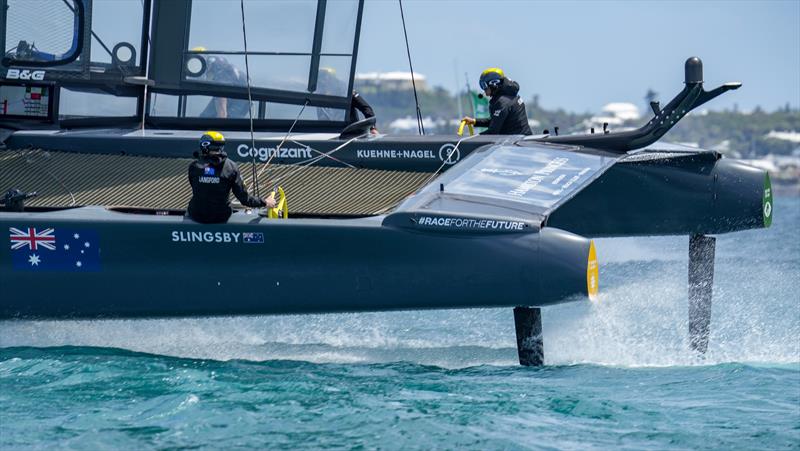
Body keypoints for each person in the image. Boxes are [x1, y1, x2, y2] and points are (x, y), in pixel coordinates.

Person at [186, 131, 275, 224]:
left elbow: (196, 188)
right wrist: (265, 202)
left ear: (203, 147)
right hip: (221, 217)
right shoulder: (231, 167)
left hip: (196, 216)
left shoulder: (193, 167)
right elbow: (244, 199)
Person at [461, 68, 532, 135]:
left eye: (484, 86)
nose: (484, 91)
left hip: (516, 143)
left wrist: (472, 139)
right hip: (521, 140)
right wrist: (474, 121)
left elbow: (493, 132)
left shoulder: (502, 102)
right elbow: (496, 121)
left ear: (494, 84)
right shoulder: (510, 95)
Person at [317, 67, 378, 134]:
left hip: (350, 133)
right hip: (328, 133)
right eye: (321, 78)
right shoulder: (318, 95)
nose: (323, 81)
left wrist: (372, 128)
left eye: (326, 78)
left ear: (333, 79)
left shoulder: (347, 92)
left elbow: (366, 108)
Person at [193, 47, 250, 119]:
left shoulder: (218, 69)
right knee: (205, 117)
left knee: (209, 118)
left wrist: (221, 119)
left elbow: (221, 96)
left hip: (240, 98)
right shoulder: (216, 62)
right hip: (239, 95)